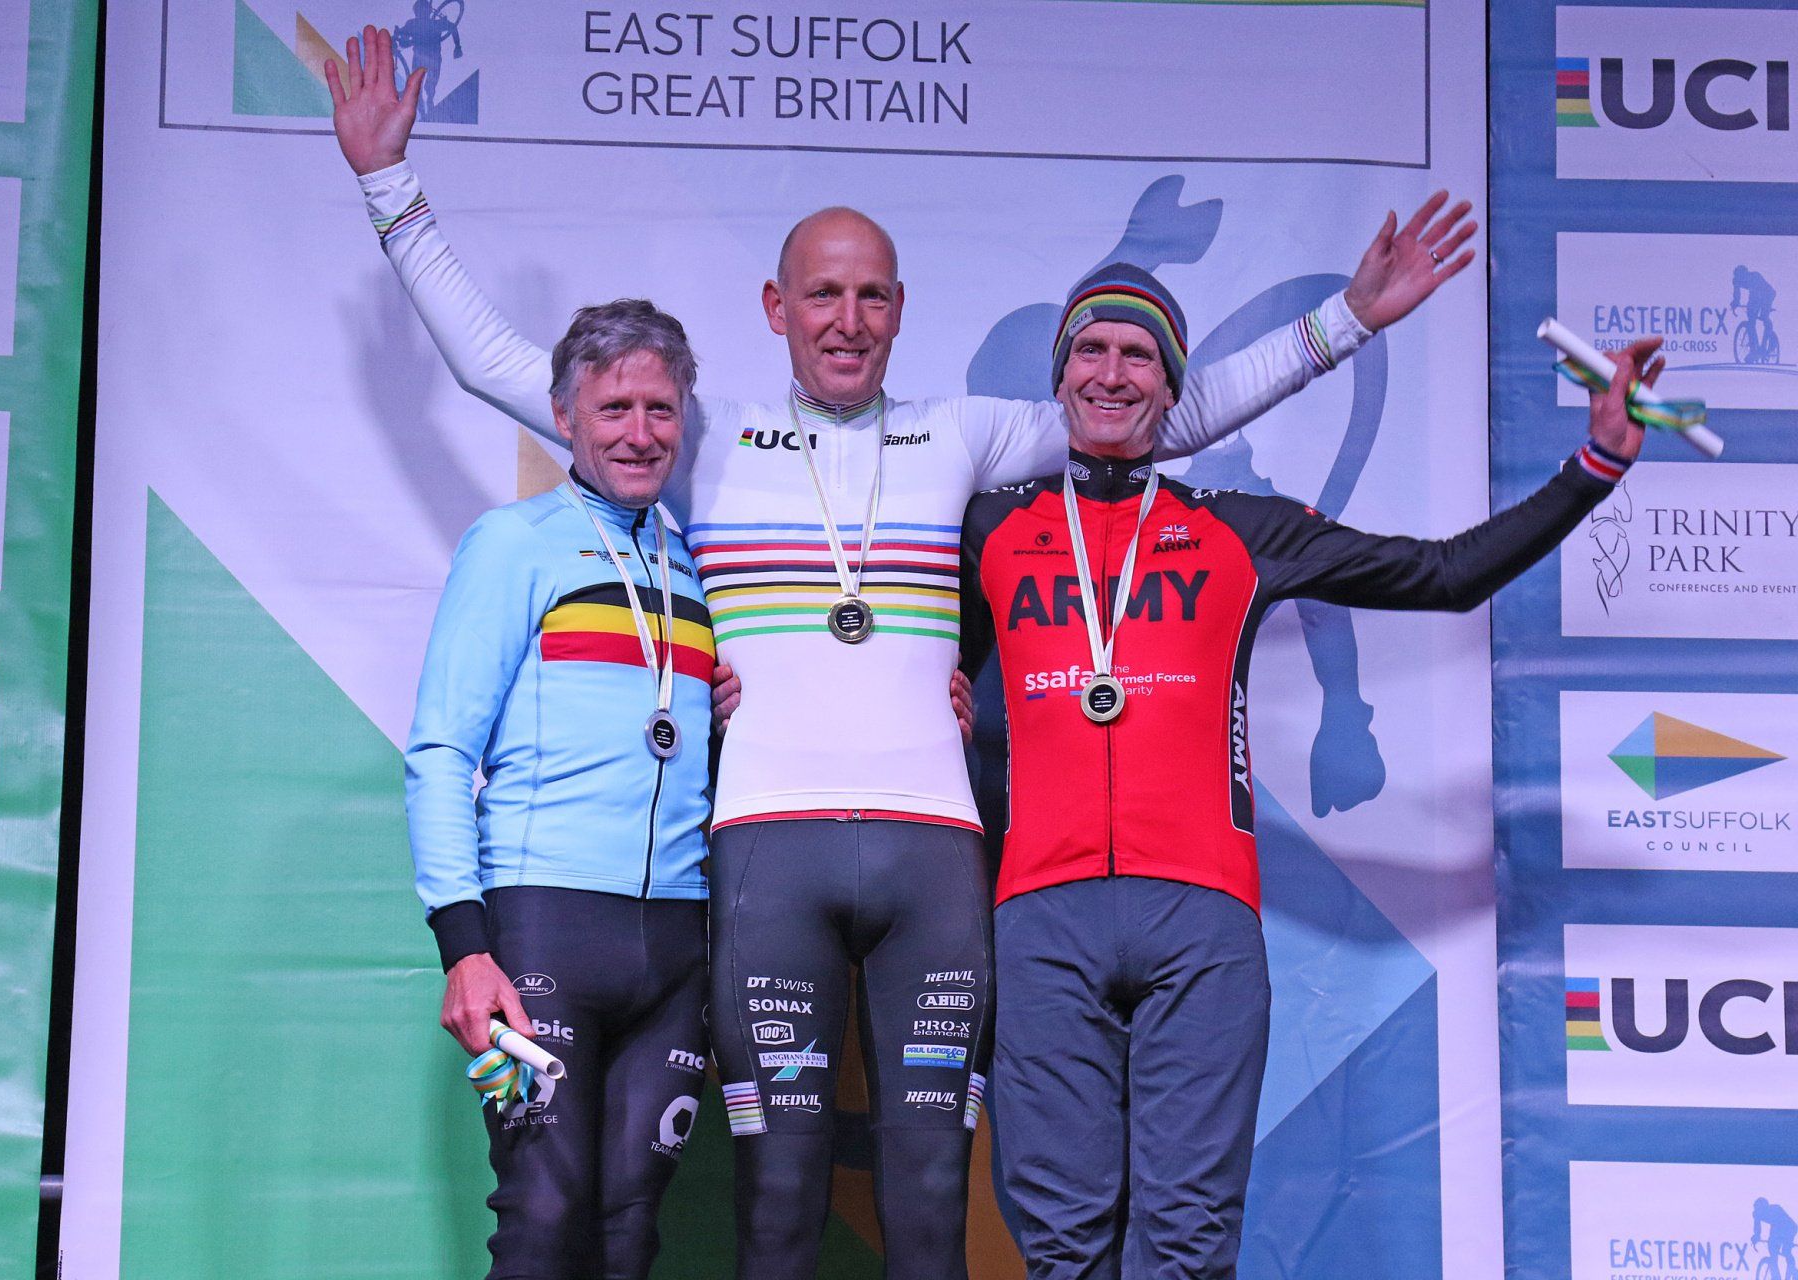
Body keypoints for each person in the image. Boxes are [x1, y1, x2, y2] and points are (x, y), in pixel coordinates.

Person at [330, 25, 1475, 1276]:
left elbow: (1153, 409)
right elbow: (503, 366)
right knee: (775, 1206)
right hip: (766, 852)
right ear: (777, 308)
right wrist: (388, 184)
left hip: (936, 856)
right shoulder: (698, 435)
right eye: (822, 294)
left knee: (928, 1208)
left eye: (871, 294)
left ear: (899, 309)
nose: (847, 318)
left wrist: (1345, 322)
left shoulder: (963, 434)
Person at [956, 266, 1659, 1280]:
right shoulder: (989, 525)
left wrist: (1594, 465)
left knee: (1187, 1243)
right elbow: (890, 643)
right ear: (1058, 376)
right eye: (1090, 351)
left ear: (1172, 387)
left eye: (1138, 354)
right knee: (1063, 1247)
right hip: (1041, 916)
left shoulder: (1243, 528)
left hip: (1199, 921)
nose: (1111, 373)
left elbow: (1443, 574)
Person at [404, 299, 714, 1279]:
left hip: (679, 944)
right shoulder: (514, 542)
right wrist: (465, 946)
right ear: (564, 414)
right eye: (614, 407)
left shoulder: (696, 563)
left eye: (660, 408)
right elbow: (441, 750)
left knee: (629, 1231)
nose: (640, 432)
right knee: (541, 1213)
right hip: (542, 934)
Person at [1756, 1197, 1797, 1280]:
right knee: (1775, 1250)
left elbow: (1778, 1226)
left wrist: (1773, 1240)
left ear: (1765, 1207)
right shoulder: (1757, 1214)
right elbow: (1757, 1227)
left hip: (1790, 1228)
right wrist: (1756, 1236)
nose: (1758, 1211)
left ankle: (1791, 1273)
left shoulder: (1775, 1209)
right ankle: (1778, 1276)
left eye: (1759, 1209)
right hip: (1781, 1229)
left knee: (1784, 1250)